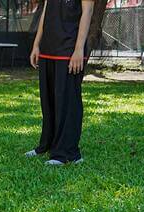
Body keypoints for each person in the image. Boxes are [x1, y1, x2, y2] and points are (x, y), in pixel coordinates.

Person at [26, 0, 94, 165]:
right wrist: (36, 44)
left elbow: (88, 11)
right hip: (49, 48)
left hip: (69, 49)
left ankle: (68, 153)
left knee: (68, 100)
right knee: (49, 101)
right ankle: (47, 145)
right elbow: (46, 11)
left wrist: (78, 49)